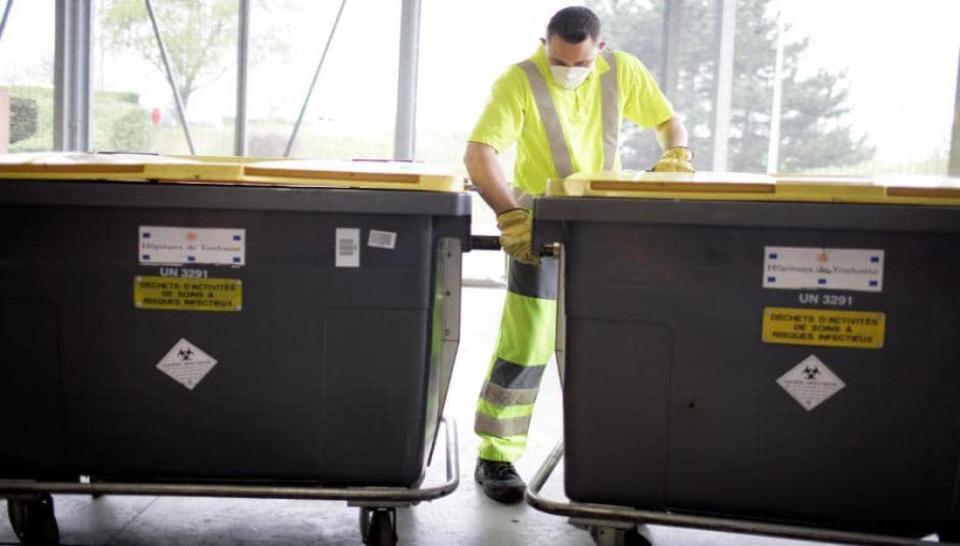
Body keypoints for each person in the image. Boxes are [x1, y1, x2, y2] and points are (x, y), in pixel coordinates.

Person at [464, 5, 694, 504]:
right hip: (538, 229)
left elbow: (669, 122)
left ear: (600, 49)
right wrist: (509, 215)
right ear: (544, 43)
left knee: (609, 344)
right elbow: (480, 153)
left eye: (579, 63)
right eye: (559, 60)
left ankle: (610, 457)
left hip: (602, 229)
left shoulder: (623, 71)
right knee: (527, 342)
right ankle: (496, 458)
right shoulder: (519, 80)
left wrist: (677, 153)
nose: (568, 71)